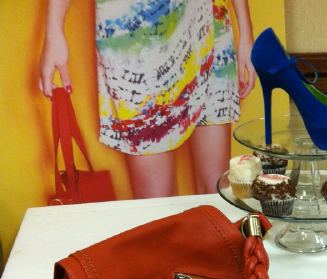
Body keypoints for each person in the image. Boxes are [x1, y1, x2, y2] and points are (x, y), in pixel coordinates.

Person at [40, 0, 256, 198]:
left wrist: (246, 31)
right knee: (158, 207)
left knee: (216, 193)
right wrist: (54, 31)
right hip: (136, 38)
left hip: (208, 22)